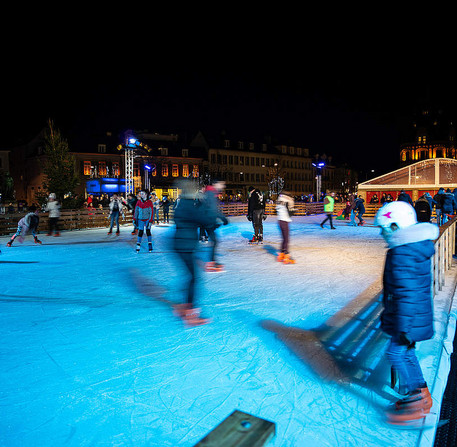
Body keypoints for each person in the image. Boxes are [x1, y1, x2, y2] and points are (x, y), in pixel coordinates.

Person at [374, 201, 438, 425]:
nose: (381, 234)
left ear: (395, 226)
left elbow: (407, 292)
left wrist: (402, 326)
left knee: (396, 353)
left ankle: (418, 399)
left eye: (383, 229)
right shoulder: (409, 247)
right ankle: (420, 396)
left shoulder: (403, 252)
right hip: (411, 316)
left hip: (408, 319)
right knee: (406, 353)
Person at [172, 180, 214, 326]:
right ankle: (190, 312)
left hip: (179, 244)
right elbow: (206, 221)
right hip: (186, 246)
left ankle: (186, 306)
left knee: (190, 276)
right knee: (194, 278)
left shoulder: (181, 204)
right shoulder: (190, 206)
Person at [201, 179, 229, 272]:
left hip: (208, 219)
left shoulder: (211, 192)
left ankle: (211, 261)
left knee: (214, 240)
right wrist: (223, 218)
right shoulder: (211, 193)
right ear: (216, 184)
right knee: (214, 241)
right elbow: (213, 209)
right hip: (208, 220)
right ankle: (211, 263)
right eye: (222, 184)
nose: (223, 186)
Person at [276, 190, 295, 264]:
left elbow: (276, 210)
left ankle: (281, 254)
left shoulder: (279, 199)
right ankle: (286, 256)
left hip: (280, 220)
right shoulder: (288, 200)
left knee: (283, 239)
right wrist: (294, 210)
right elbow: (290, 212)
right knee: (286, 239)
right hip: (285, 220)